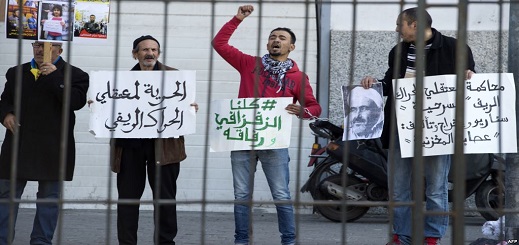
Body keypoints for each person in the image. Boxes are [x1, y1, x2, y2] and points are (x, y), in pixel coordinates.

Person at [360, 7, 475, 245]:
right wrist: (374, 84)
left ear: (414, 24)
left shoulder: (455, 48)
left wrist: (470, 75)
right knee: (399, 189)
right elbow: (392, 81)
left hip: (437, 129)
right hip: (400, 128)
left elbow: (471, 82)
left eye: (399, 24)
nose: (396, 29)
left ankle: (432, 236)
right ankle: (401, 236)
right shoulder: (398, 51)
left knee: (436, 188)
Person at [212, 5, 321, 245]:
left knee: (281, 195)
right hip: (242, 140)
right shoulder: (249, 64)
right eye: (272, 37)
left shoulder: (298, 78)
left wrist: (302, 111)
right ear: (267, 44)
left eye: (282, 38)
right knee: (241, 195)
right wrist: (237, 19)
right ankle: (241, 240)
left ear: (291, 47)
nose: (276, 40)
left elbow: (314, 107)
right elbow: (219, 44)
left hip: (274, 142)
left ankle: (289, 240)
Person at [0, 41, 89, 244]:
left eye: (48, 46)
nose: (41, 50)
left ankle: (41, 241)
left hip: (54, 147)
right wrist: (6, 114)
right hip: (18, 145)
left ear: (60, 50)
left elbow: (76, 102)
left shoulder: (76, 75)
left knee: (48, 199)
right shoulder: (16, 72)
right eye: (37, 45)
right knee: (6, 195)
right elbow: (4, 100)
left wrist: (55, 76)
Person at [112, 35, 198, 245]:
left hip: (165, 148)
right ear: (135, 54)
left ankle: (165, 242)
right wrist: (100, 104)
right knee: (128, 200)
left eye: (154, 50)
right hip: (129, 148)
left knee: (165, 200)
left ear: (158, 53)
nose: (150, 53)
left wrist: (190, 108)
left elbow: (184, 106)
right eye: (144, 50)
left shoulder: (175, 77)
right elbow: (109, 110)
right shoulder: (118, 81)